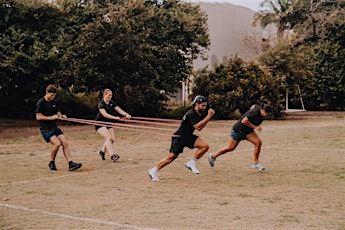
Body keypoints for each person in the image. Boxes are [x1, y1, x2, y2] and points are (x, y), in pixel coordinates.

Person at [148, 95, 215, 181]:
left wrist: (208, 115)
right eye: (203, 105)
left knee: (205, 146)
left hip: (188, 136)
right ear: (197, 104)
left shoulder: (200, 112)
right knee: (171, 158)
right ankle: (153, 170)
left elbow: (200, 127)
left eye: (205, 105)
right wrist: (209, 117)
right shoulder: (191, 114)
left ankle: (192, 163)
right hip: (179, 137)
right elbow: (198, 127)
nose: (205, 107)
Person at [208, 103, 272, 170]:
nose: (267, 116)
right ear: (262, 110)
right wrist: (255, 127)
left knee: (258, 143)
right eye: (266, 114)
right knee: (230, 148)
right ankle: (213, 156)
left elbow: (253, 106)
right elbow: (244, 121)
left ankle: (255, 163)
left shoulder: (258, 108)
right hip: (238, 130)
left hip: (248, 131)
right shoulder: (254, 113)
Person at [35, 84, 82, 171]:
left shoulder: (54, 103)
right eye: (51, 95)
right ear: (47, 92)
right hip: (45, 128)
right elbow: (38, 117)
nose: (53, 97)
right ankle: (51, 162)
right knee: (57, 144)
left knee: (65, 143)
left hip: (54, 127)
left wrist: (62, 116)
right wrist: (51, 118)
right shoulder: (41, 103)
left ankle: (71, 164)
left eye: (54, 95)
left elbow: (58, 113)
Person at [95, 88, 131, 162]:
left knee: (112, 140)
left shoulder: (111, 102)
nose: (110, 97)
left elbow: (119, 110)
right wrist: (114, 118)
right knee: (109, 138)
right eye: (108, 95)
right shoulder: (101, 104)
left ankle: (102, 152)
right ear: (105, 95)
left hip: (108, 123)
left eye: (111, 95)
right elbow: (105, 115)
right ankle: (112, 156)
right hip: (100, 123)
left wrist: (126, 114)